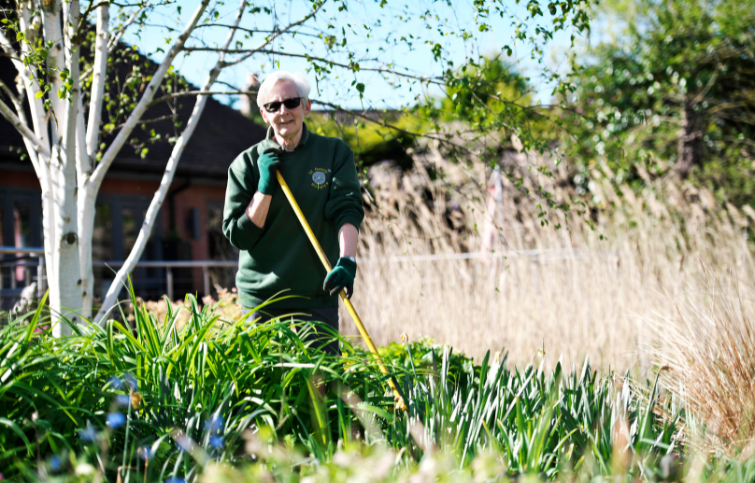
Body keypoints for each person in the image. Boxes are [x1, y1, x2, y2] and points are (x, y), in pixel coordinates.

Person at [222, 71, 364, 355]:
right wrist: (264, 188)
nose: (283, 111)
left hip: (316, 292)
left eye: (291, 102)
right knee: (266, 388)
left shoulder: (334, 153)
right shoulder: (246, 164)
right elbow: (239, 237)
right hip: (262, 298)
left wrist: (347, 260)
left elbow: (347, 209)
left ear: (306, 106)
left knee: (321, 386)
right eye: (274, 106)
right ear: (264, 114)